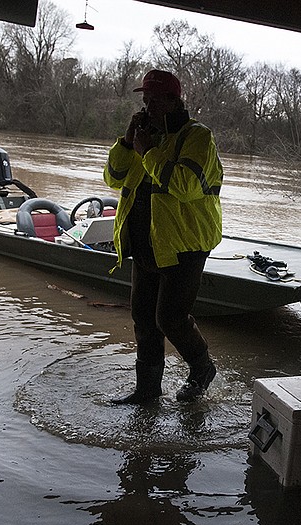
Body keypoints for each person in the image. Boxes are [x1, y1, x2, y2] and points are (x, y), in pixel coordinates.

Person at [103, 69, 223, 403]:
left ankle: (202, 369)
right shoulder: (143, 136)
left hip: (184, 245)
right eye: (145, 99)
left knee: (170, 318)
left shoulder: (198, 137)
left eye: (156, 99)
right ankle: (147, 392)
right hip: (146, 244)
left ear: (174, 100)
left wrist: (149, 152)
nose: (148, 105)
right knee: (143, 320)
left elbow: (186, 186)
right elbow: (113, 178)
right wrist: (128, 142)